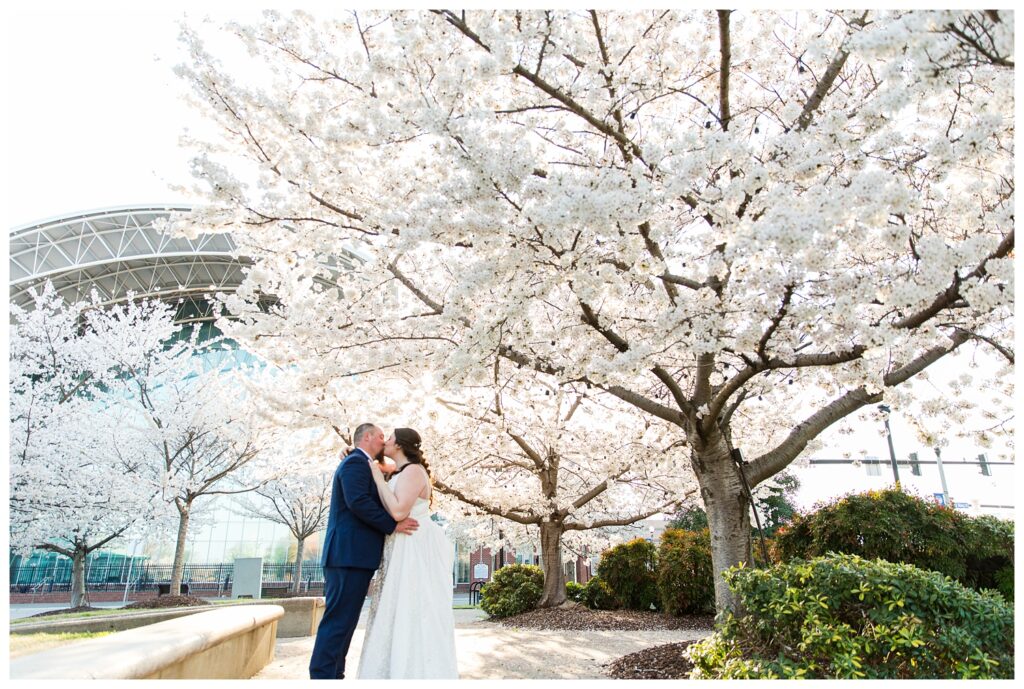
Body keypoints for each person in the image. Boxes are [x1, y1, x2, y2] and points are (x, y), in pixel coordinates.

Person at [308, 423, 419, 680]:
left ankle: (335, 674)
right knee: (338, 621)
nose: (383, 441)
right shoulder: (355, 463)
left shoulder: (362, 463)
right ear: (367, 437)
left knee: (345, 622)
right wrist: (392, 525)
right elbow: (357, 501)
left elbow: (392, 472)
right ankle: (322, 676)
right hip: (347, 556)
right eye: (381, 436)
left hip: (355, 557)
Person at [357, 427, 459, 679]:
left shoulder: (414, 471)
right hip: (400, 543)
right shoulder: (401, 471)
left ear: (400, 445)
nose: (385, 442)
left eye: (389, 438)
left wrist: (378, 479)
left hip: (413, 544)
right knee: (397, 605)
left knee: (413, 604)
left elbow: (400, 512)